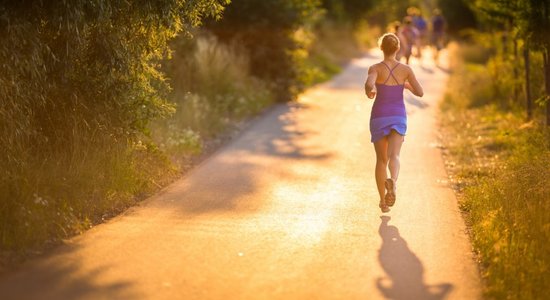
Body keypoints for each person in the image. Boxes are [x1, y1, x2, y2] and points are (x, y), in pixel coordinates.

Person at [364, 33, 424, 213]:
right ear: (398, 48)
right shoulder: (405, 69)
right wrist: (405, 85)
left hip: (379, 116)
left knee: (381, 160)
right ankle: (394, 183)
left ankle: (383, 201)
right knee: (395, 155)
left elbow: (369, 84)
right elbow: (420, 92)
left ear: (381, 48)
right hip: (398, 116)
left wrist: (371, 90)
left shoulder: (375, 68)